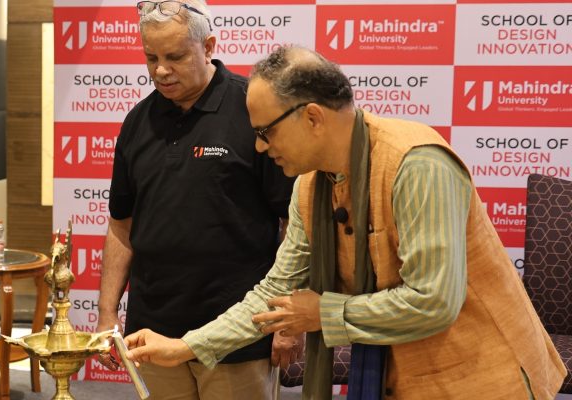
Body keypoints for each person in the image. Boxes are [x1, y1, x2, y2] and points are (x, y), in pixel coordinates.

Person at [123, 46, 567, 399]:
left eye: (265, 132)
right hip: (397, 375)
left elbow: (434, 301)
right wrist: (184, 347)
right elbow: (275, 293)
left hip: (485, 375)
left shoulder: (417, 164)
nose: (259, 148)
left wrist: (323, 313)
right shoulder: (309, 184)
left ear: (313, 117)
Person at [95, 1, 296, 398]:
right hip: (152, 333)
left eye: (175, 56)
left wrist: (286, 323)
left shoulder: (252, 109)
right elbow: (121, 226)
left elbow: (293, 227)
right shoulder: (137, 121)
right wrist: (106, 314)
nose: (160, 70)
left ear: (209, 47)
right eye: (151, 57)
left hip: (238, 334)